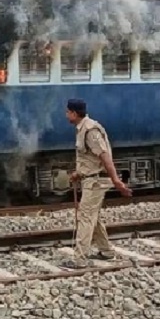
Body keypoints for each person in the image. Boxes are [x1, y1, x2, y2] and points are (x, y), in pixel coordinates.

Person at [62, 98, 133, 269]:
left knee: (85, 217)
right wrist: (78, 174)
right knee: (93, 216)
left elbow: (104, 156)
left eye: (67, 112)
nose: (65, 115)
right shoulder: (82, 129)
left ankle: (80, 259)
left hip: (96, 181)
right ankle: (106, 251)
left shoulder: (90, 130)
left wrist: (116, 180)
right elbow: (90, 158)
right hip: (90, 178)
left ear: (74, 113)